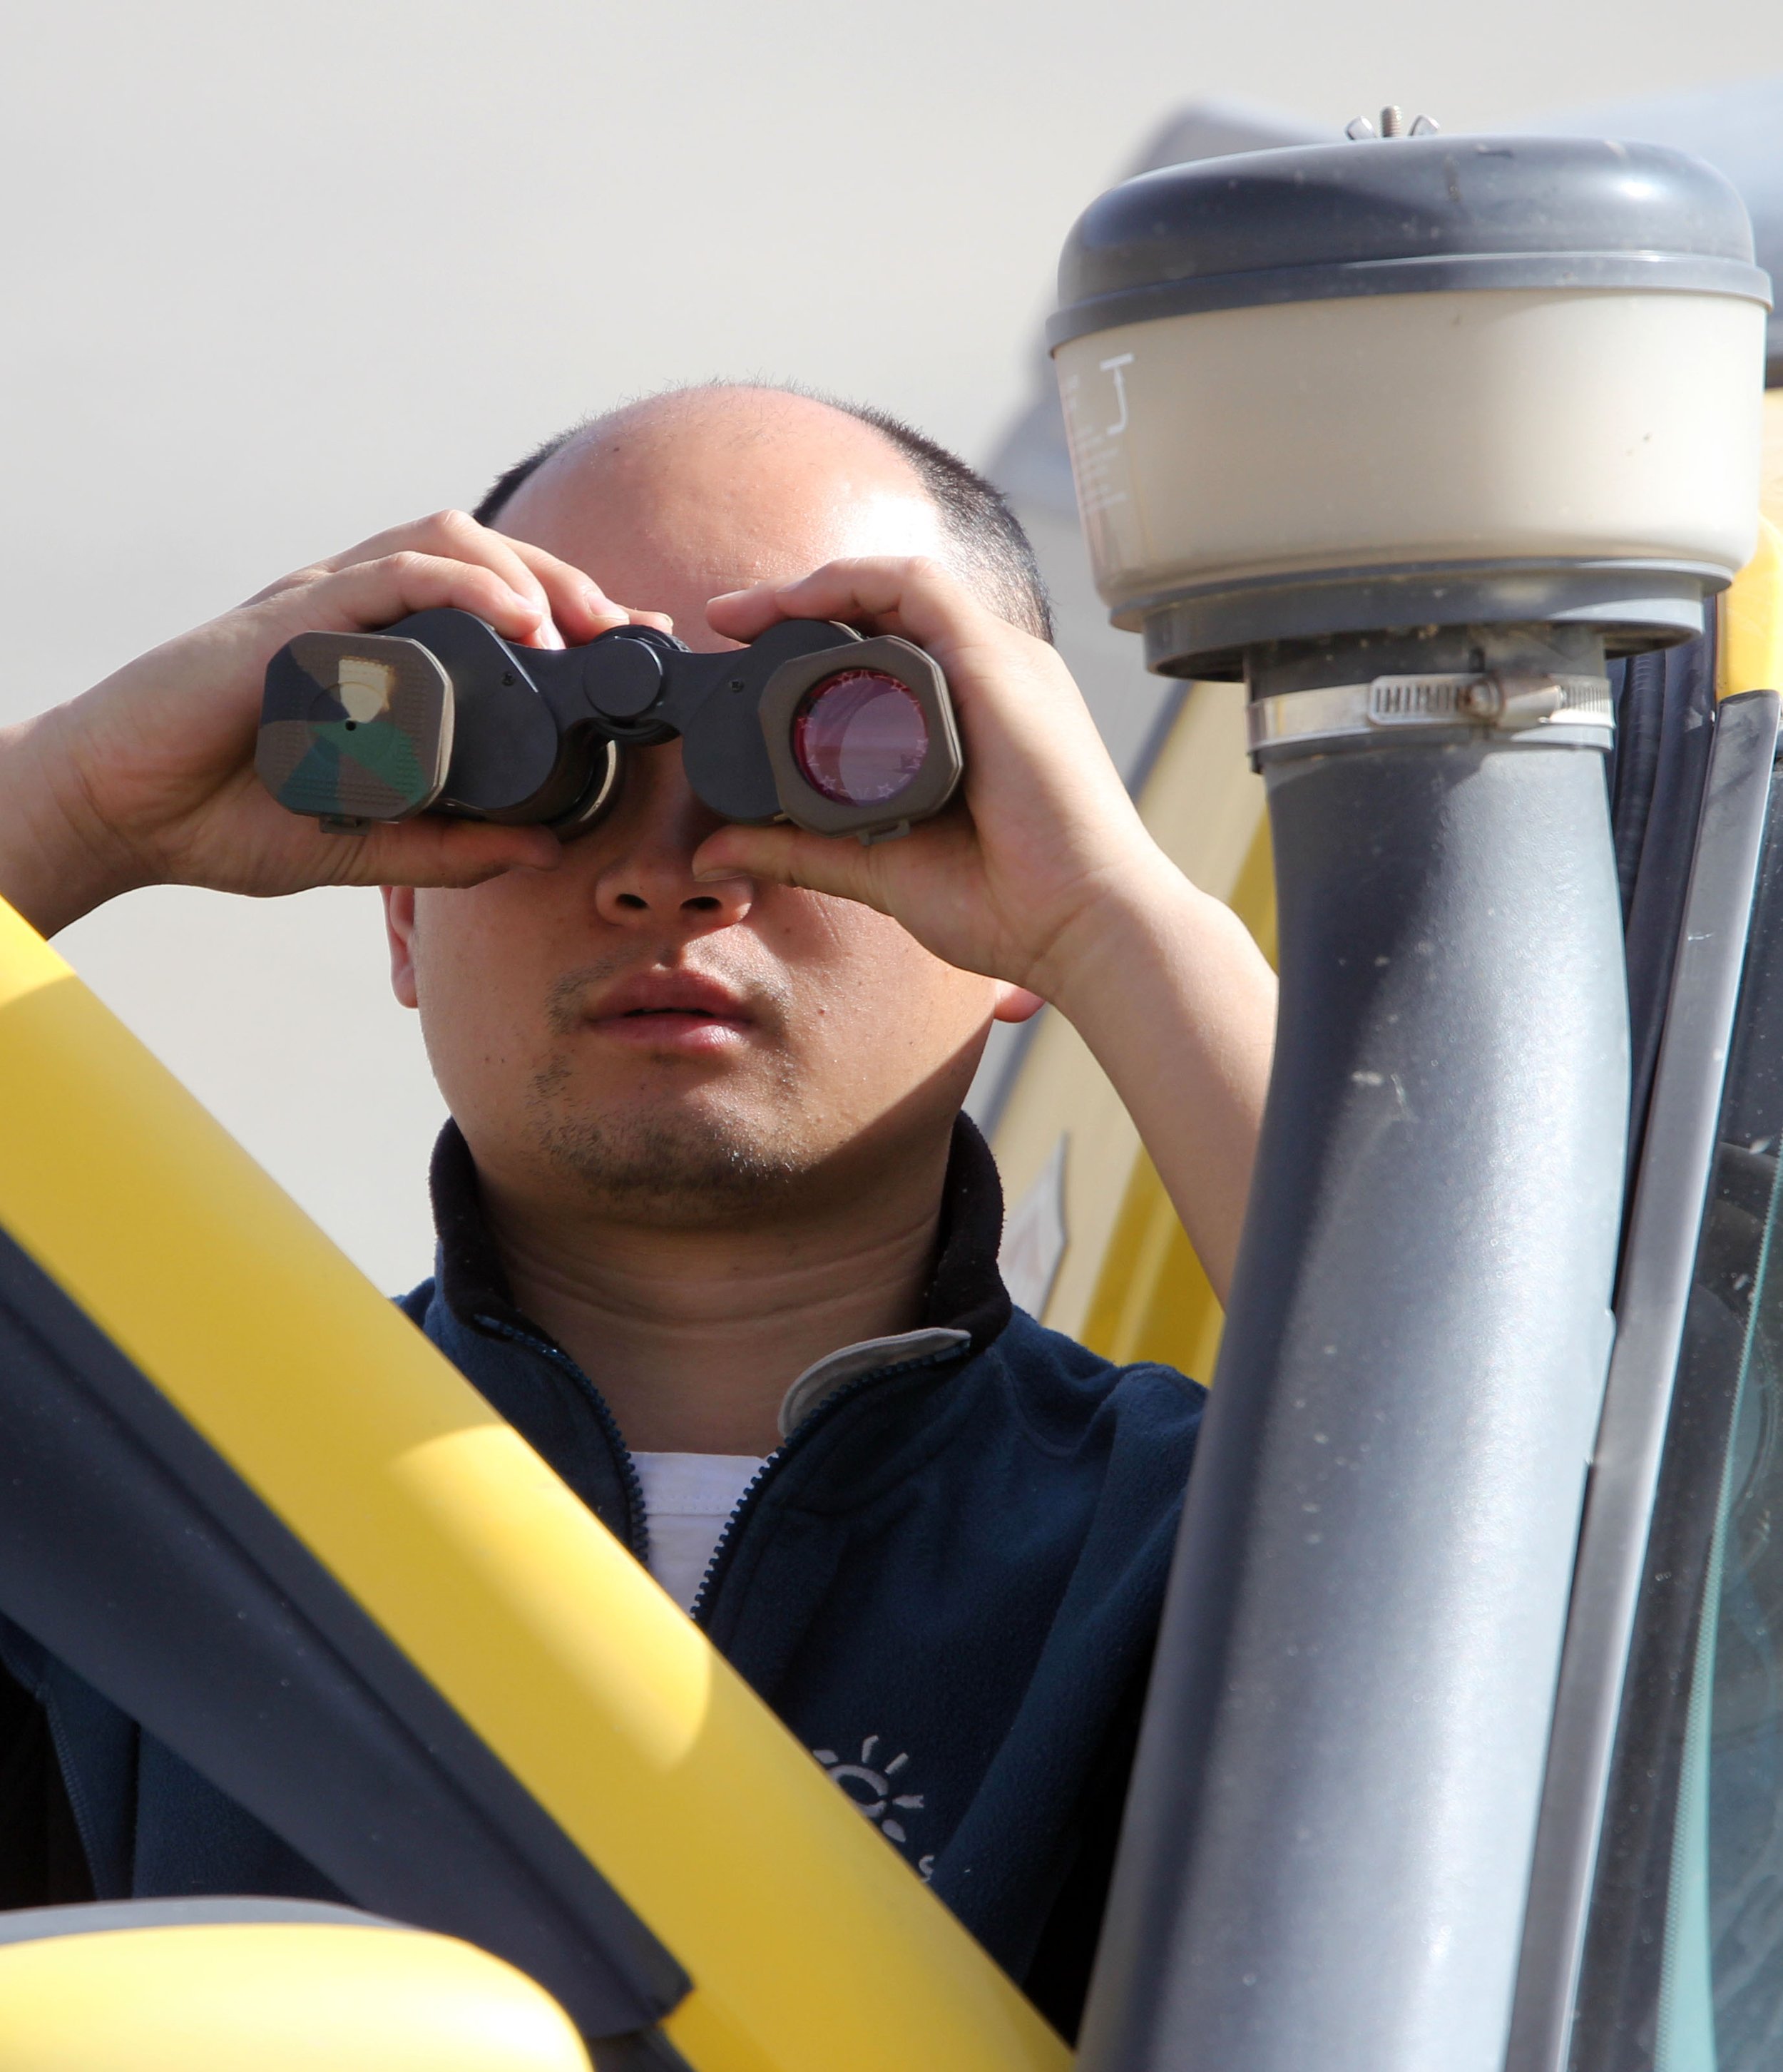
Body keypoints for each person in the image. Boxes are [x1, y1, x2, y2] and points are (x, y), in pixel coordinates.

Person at [0, 384, 1274, 2034]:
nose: (667, 869)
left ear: (1012, 882)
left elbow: (1574, 1512)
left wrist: (1116, 916)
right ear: (401, 913)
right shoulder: (125, 1540)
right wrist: (72, 796)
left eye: (839, 751)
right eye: (549, 770)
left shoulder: (1214, 1545)